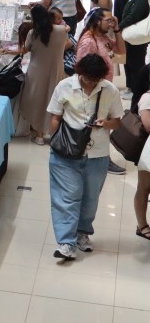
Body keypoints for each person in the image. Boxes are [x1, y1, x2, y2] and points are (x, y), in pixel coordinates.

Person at [47, 54, 123, 261]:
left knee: (90, 199)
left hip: (98, 153)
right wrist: (55, 143)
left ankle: (83, 233)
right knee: (67, 197)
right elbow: (55, 117)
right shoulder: (64, 86)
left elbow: (117, 121)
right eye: (88, 79)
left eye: (96, 80)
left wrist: (105, 123)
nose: (92, 83)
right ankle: (66, 242)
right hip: (66, 152)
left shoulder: (110, 90)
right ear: (80, 73)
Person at [11, 4, 69, 144]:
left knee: (37, 101)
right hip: (56, 70)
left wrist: (8, 51)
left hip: (36, 72)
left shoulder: (33, 33)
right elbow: (67, 38)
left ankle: (39, 135)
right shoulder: (62, 31)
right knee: (53, 99)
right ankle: (53, 133)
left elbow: (24, 50)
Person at [119, 0, 150, 112]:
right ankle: (131, 87)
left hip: (137, 37)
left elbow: (134, 15)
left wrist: (119, 27)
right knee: (130, 62)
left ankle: (137, 90)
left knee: (136, 63)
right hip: (132, 37)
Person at [134, 89, 150, 241]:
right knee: (144, 188)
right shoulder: (147, 97)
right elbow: (148, 125)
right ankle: (142, 225)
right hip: (147, 151)